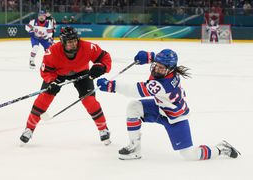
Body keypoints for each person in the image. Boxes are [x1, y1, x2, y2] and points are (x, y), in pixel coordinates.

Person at [97, 49, 240, 160]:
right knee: (133, 107)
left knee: (189, 155)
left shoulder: (161, 84)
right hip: (160, 108)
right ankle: (134, 148)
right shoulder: (167, 69)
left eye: (161, 68)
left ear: (170, 69)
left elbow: (134, 90)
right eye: (156, 65)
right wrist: (149, 56)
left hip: (175, 118)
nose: (157, 69)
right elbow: (160, 58)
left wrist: (111, 86)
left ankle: (221, 148)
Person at [20, 26, 112, 145]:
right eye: (69, 42)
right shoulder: (52, 52)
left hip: (82, 73)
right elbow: (46, 71)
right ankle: (29, 129)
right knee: (43, 99)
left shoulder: (88, 47)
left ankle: (103, 129)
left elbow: (105, 57)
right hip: (58, 74)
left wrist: (101, 66)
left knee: (90, 101)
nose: (73, 44)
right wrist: (52, 81)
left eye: (75, 41)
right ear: (63, 42)